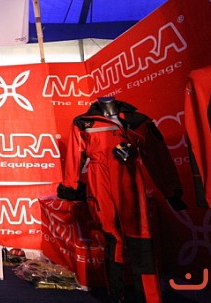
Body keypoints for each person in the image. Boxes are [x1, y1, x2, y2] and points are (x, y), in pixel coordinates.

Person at [58, 96, 187, 303]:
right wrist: (69, 187)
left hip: (129, 178)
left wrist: (171, 190)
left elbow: (158, 156)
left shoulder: (138, 120)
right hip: (99, 179)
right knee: (112, 237)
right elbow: (75, 157)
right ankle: (116, 294)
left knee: (139, 236)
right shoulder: (83, 123)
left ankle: (149, 297)